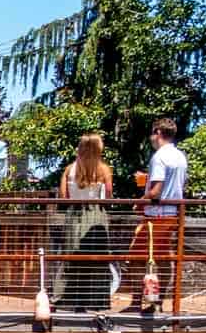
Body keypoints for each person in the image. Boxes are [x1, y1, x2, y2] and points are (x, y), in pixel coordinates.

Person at [125, 119, 188, 310]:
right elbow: (180, 186)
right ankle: (158, 302)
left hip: (156, 216)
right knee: (163, 259)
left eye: (152, 133)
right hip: (172, 214)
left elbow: (156, 191)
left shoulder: (159, 157)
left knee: (135, 259)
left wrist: (139, 202)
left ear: (158, 132)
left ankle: (137, 302)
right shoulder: (180, 157)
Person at [57, 134, 114, 311]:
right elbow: (109, 196)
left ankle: (68, 299)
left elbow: (63, 197)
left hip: (74, 215)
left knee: (71, 257)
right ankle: (95, 300)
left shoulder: (69, 170)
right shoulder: (104, 170)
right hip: (96, 215)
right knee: (97, 259)